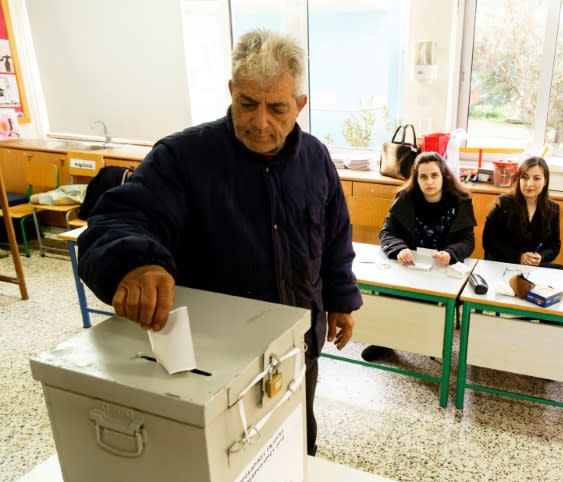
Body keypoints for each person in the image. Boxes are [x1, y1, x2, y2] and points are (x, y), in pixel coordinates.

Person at [77, 29, 362, 456]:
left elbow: (335, 238)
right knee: (227, 461)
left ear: (300, 105)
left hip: (297, 346)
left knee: (296, 443)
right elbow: (119, 218)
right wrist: (136, 263)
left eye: (277, 108)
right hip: (216, 363)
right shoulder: (182, 157)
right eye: (247, 103)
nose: (260, 121)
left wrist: (340, 299)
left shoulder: (317, 159)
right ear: (231, 91)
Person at [361, 151, 476, 362]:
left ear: (444, 176)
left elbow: (468, 242)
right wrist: (399, 248)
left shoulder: (460, 201)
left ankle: (432, 342)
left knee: (432, 305)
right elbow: (386, 233)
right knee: (390, 294)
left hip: (441, 269)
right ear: (416, 178)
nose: (429, 181)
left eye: (434, 175)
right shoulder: (405, 199)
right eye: (423, 177)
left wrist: (451, 253)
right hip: (410, 266)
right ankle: (384, 340)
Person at [482, 156, 563, 268]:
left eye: (536, 178)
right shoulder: (503, 204)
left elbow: (554, 246)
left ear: (545, 181)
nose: (529, 184)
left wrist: (541, 257)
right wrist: (519, 257)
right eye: (524, 177)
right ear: (518, 179)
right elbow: (489, 241)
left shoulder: (553, 209)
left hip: (532, 266)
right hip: (503, 263)